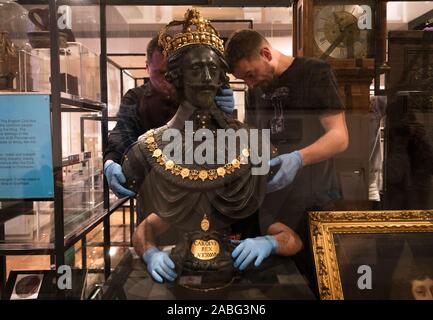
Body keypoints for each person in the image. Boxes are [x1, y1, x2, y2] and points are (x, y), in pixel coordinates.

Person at [122, 9, 303, 284]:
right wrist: (150, 253)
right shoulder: (148, 148)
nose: (207, 77)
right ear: (176, 77)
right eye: (196, 69)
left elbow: (291, 238)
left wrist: (268, 243)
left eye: (213, 69)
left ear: (222, 77)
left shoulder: (252, 144)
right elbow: (145, 229)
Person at [224, 29, 349, 288]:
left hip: (316, 199)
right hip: (276, 202)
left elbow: (340, 137)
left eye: (250, 75)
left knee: (321, 281)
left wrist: (298, 158)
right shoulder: (254, 91)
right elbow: (255, 141)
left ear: (266, 54)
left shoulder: (315, 73)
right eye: (243, 80)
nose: (250, 84)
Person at [103, 36, 236, 200]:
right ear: (147, 68)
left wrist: (224, 110)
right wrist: (111, 163)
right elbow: (122, 133)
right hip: (154, 188)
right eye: (160, 73)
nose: (168, 80)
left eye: (172, 72)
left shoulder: (196, 92)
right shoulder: (135, 98)